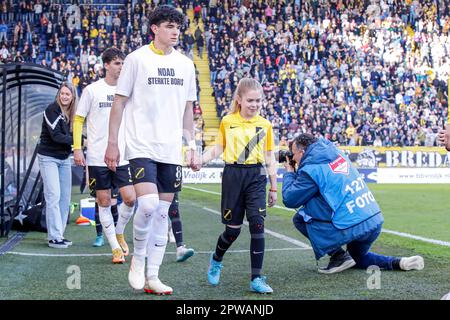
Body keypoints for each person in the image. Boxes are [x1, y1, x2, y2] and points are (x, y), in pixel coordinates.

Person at [104, 5, 200, 295]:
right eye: (169, 26)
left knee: (162, 213)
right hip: (141, 144)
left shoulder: (185, 64)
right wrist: (112, 143)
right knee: (146, 205)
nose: (175, 32)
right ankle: (138, 258)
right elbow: (119, 102)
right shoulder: (136, 59)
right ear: (154, 28)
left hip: (171, 148)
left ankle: (153, 277)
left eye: (178, 27)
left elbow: (187, 110)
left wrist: (191, 145)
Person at [282, 133, 424, 274]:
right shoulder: (336, 152)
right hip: (372, 219)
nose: (292, 158)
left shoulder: (310, 170)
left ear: (302, 152)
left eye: (293, 154)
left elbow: (290, 199)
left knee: (300, 218)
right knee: (357, 257)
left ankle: (338, 256)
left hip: (350, 225)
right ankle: (400, 262)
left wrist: (289, 171)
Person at [202, 78, 278, 294]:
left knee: (257, 224)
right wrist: (201, 159)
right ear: (239, 100)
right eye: (250, 100)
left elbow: (270, 156)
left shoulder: (265, 124)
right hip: (233, 176)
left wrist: (273, 187)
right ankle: (216, 259)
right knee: (232, 231)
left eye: (258, 101)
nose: (254, 105)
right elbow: (218, 148)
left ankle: (256, 278)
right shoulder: (228, 121)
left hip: (255, 176)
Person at [73, 47, 136, 264]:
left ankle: (119, 232)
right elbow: (79, 119)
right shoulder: (92, 90)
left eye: (123, 63)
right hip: (98, 156)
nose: (121, 67)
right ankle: (115, 248)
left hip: (124, 156)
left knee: (130, 198)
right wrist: (77, 147)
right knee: (104, 200)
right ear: (106, 65)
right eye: (117, 63)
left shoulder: (128, 90)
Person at [37, 82, 77, 248]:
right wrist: (80, 141)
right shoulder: (51, 109)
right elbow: (57, 136)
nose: (65, 96)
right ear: (59, 95)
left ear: (73, 97)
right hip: (48, 157)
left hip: (64, 158)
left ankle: (59, 234)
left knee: (65, 197)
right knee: (53, 195)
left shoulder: (73, 114)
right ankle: (53, 237)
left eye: (68, 94)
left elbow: (74, 135)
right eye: (62, 94)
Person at [167, 192, 195, 262]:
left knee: (175, 213)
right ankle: (143, 249)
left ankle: (180, 249)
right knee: (151, 213)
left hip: (170, 183)